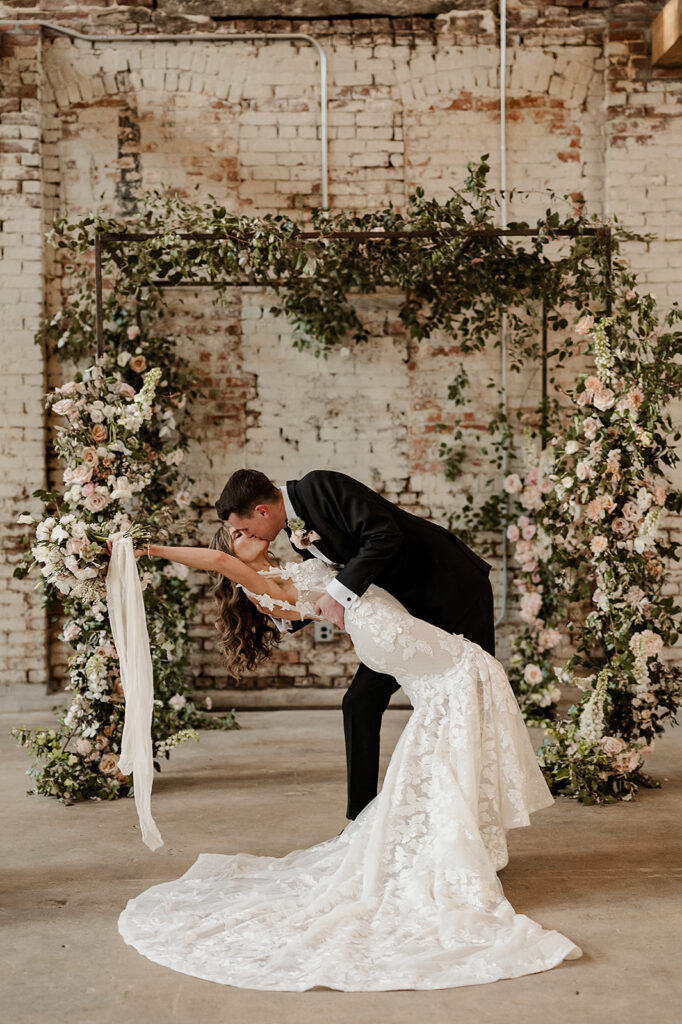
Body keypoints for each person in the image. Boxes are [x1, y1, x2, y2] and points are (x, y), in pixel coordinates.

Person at [117, 520, 581, 991]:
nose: (245, 534)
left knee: (451, 705)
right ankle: (451, 832)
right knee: (467, 676)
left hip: (385, 626)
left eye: (244, 527)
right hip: (383, 630)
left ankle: (449, 829)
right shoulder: (254, 582)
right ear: (231, 555)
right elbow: (218, 560)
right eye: (235, 536)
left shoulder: (285, 566)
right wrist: (148, 549)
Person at [215, 468, 496, 820]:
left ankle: (475, 816)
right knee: (359, 702)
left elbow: (384, 535)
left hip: (454, 591)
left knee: (473, 699)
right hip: (404, 620)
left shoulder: (320, 486)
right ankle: (360, 821)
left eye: (244, 528)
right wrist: (284, 612)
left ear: (261, 511)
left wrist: (337, 595)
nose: (249, 535)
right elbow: (326, 582)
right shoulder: (294, 529)